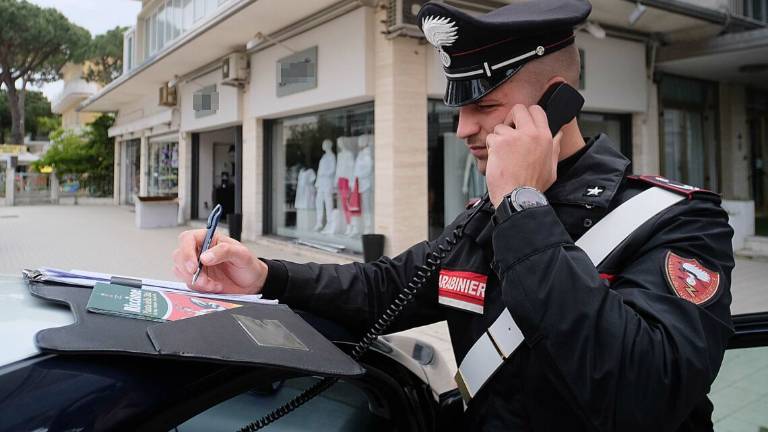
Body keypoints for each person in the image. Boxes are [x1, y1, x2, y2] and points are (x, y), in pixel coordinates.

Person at [172, 0, 734, 430]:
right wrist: (266, 274)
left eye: (484, 106)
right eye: (459, 108)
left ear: (557, 103)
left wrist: (523, 206)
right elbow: (384, 287)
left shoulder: (674, 221)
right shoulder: (487, 218)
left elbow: (645, 394)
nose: (464, 129)